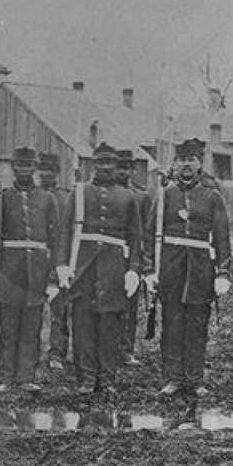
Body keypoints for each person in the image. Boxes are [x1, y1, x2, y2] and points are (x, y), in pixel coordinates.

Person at [54, 144, 144, 396]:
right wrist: (61, 264)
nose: (105, 168)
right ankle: (86, 377)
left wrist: (133, 269)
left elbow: (135, 237)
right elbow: (65, 232)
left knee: (110, 325)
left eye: (110, 164)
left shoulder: (127, 197)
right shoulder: (79, 193)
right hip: (83, 268)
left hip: (114, 268)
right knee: (82, 324)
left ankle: (107, 378)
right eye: (100, 163)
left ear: (117, 167)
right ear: (93, 165)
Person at [146, 138, 232, 397]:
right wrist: (149, 270)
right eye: (182, 159)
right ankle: (173, 378)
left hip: (200, 270)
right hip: (171, 268)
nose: (186, 165)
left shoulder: (212, 197)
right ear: (175, 163)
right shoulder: (164, 196)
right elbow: (150, 235)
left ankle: (194, 379)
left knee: (197, 325)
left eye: (192, 160)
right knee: (171, 324)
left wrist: (223, 272)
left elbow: (222, 238)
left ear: (200, 164)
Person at [0, 147, 60, 393]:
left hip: (37, 272)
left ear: (35, 168)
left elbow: (56, 240)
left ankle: (26, 376)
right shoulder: (2, 198)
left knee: (32, 326)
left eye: (28, 165)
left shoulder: (47, 199)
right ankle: (6, 377)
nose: (24, 170)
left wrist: (52, 279)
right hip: (10, 272)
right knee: (8, 327)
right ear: (13, 167)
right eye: (19, 165)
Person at [116, 149, 151, 366]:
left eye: (125, 167)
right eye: (119, 167)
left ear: (132, 169)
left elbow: (145, 232)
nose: (121, 171)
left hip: (132, 256)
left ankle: (126, 349)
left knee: (129, 305)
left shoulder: (141, 196)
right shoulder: (103, 194)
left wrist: (143, 263)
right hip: (106, 256)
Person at [42, 153, 74, 373]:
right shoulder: (31, 196)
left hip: (57, 257)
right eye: (42, 170)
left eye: (50, 170)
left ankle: (57, 352)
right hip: (32, 259)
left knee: (59, 310)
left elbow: (67, 232)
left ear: (57, 173)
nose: (45, 174)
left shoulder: (65, 198)